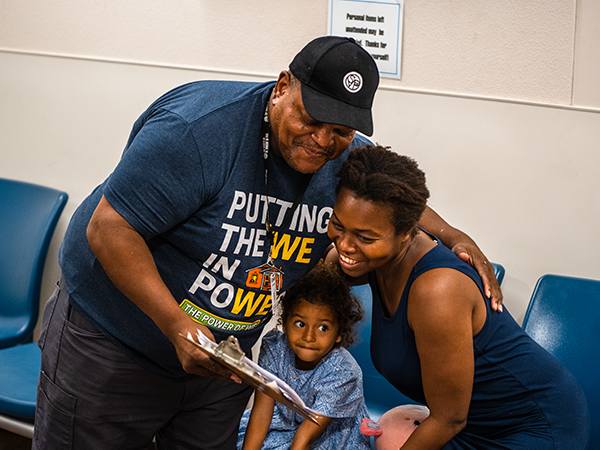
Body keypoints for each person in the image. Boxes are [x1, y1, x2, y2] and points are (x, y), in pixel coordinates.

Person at [33, 36, 501, 450]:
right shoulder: (198, 129)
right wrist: (176, 325)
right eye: (312, 119)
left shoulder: (346, 154)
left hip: (224, 358)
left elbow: (391, 197)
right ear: (282, 87)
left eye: (340, 131)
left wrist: (454, 235)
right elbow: (108, 228)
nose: (322, 141)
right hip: (115, 343)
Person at [326, 144, 590, 449]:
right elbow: (318, 272)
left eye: (365, 237)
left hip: (532, 427)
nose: (345, 245)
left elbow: (449, 418)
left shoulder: (437, 290)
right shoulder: (377, 256)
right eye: (338, 225)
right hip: (468, 422)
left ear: (407, 231)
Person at [237, 261, 370, 450]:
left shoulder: (344, 372)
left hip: (328, 433)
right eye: (300, 324)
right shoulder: (274, 347)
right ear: (284, 323)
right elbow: (262, 410)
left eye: (323, 328)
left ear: (339, 333)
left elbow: (306, 436)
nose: (309, 337)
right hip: (286, 422)